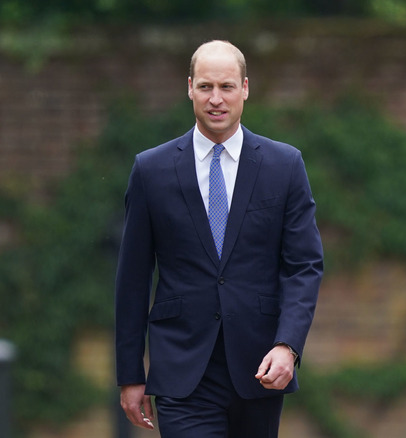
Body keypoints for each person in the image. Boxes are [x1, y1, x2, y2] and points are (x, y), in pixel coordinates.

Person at [115, 40, 324, 437]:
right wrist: (129, 373)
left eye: (226, 87)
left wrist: (288, 345)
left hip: (259, 365)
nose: (216, 99)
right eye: (206, 87)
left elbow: (304, 266)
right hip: (181, 369)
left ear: (245, 88)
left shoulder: (284, 165)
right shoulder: (151, 170)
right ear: (189, 87)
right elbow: (132, 278)